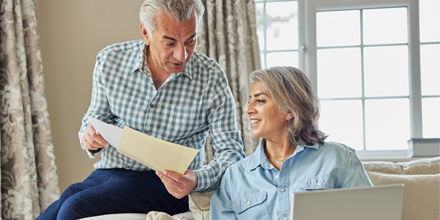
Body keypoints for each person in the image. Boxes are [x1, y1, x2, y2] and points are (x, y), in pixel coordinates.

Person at [37, 0, 245, 219]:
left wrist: (195, 179)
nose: (181, 55)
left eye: (190, 41)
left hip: (165, 184)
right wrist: (89, 137)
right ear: (146, 33)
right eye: (170, 42)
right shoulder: (110, 60)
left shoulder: (211, 77)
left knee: (74, 208)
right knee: (53, 211)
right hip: (108, 173)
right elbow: (94, 119)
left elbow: (232, 153)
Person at [209, 66, 372, 219]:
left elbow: (371, 214)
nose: (248, 109)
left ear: (289, 110)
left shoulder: (340, 159)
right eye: (250, 100)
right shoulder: (235, 176)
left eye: (260, 101)